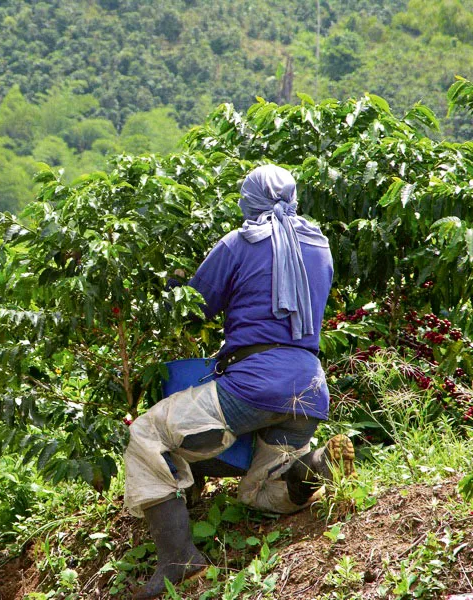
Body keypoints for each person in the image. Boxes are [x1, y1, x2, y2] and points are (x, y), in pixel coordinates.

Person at [123, 164, 355, 600]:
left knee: (146, 434)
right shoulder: (318, 244)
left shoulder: (239, 241)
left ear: (249, 199)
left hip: (253, 384)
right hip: (309, 389)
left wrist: (170, 285)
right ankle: (314, 465)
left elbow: (194, 307)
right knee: (259, 488)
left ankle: (177, 559)